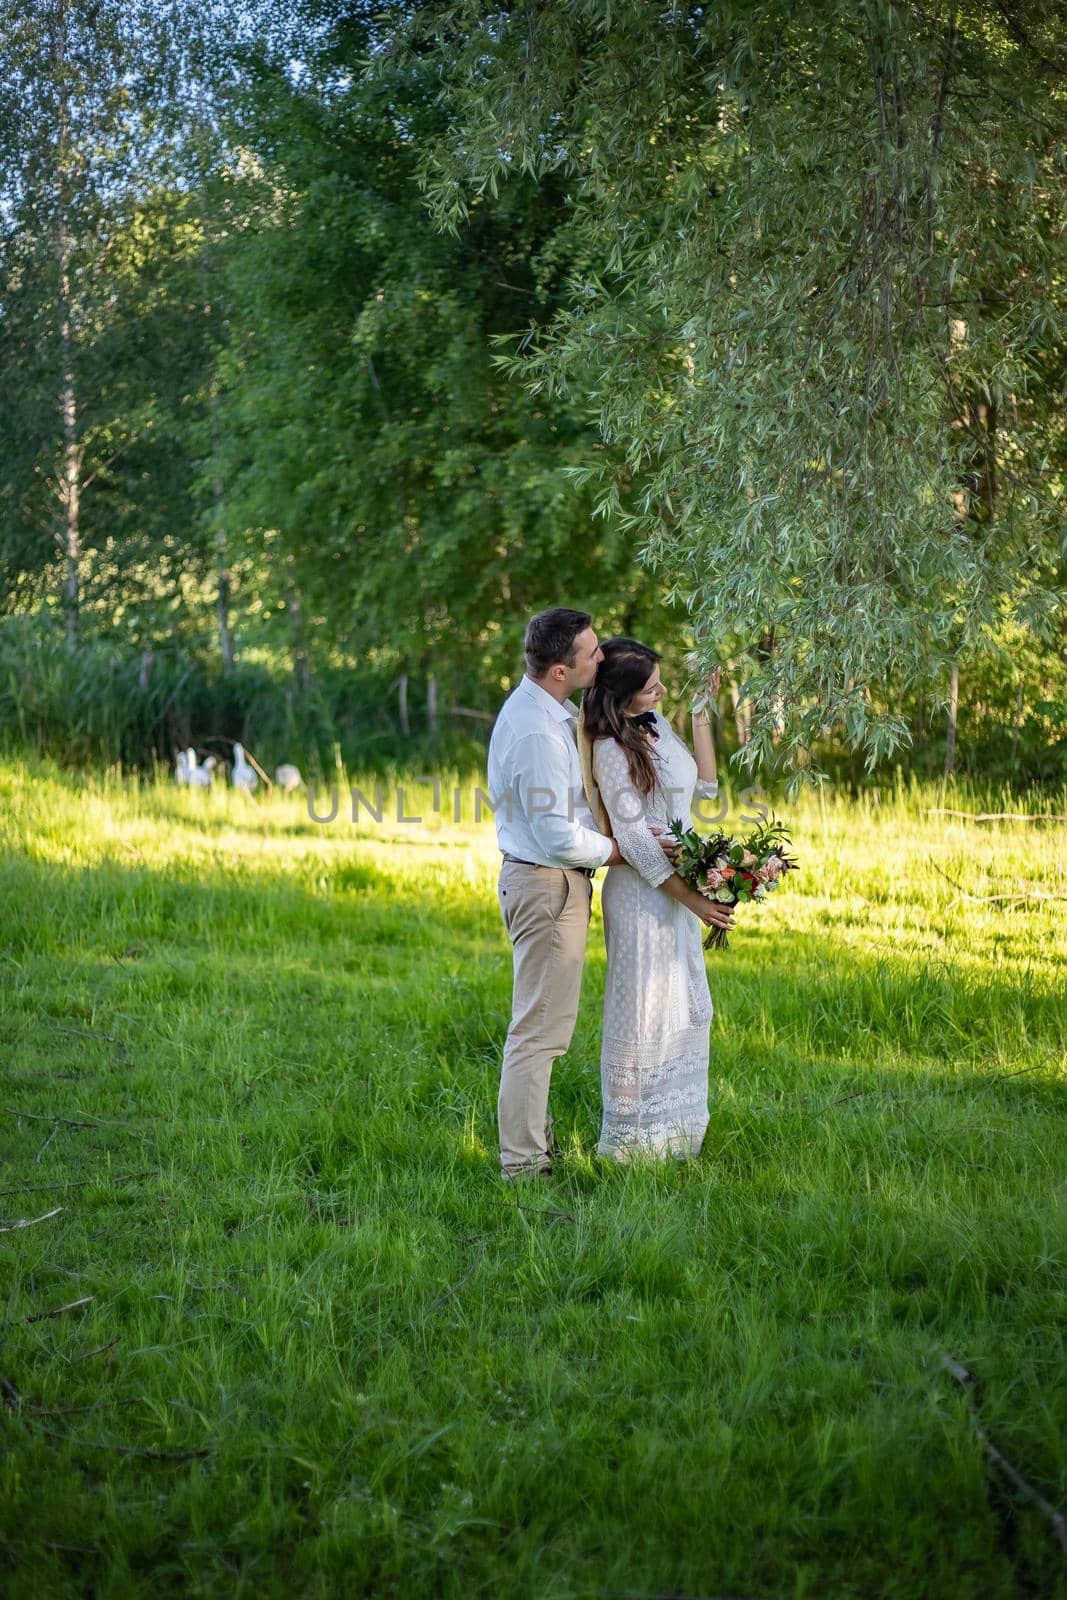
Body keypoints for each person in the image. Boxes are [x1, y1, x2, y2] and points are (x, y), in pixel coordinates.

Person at [487, 609, 678, 1181]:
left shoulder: (552, 712)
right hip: (547, 884)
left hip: (551, 882)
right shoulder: (537, 733)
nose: (601, 658)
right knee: (539, 1033)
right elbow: (553, 834)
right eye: (591, 653)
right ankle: (522, 1166)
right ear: (557, 670)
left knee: (545, 1028)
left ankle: (535, 1146)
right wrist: (620, 851)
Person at [579, 638, 734, 1162]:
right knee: (644, 1011)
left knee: (685, 1009)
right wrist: (695, 901)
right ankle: (630, 1144)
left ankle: (676, 1136)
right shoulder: (608, 749)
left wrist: (698, 713)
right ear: (624, 696)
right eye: (652, 687)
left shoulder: (657, 725)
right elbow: (638, 843)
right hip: (645, 896)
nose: (662, 691)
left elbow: (706, 788)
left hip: (679, 887)